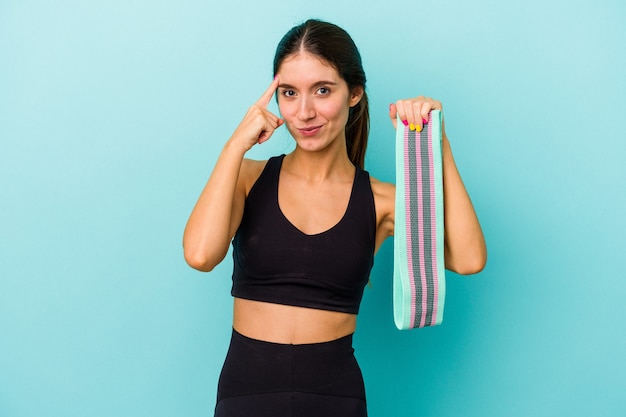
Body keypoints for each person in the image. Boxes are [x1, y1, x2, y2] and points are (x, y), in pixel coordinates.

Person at [183, 19, 486, 417]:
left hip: (334, 398)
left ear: (354, 93)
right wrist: (235, 146)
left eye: (322, 90)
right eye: (289, 93)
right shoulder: (246, 177)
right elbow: (201, 255)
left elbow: (468, 259)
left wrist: (437, 138)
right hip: (246, 396)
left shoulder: (382, 202)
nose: (305, 112)